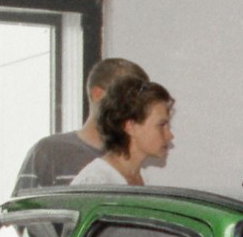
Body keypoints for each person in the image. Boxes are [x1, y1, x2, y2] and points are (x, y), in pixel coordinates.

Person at [14, 56, 148, 189]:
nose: (135, 109)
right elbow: (23, 203)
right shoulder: (49, 152)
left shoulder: (130, 160)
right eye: (128, 98)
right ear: (98, 95)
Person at [70, 78, 174, 186]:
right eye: (161, 125)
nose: (170, 135)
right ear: (130, 127)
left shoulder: (143, 178)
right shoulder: (96, 182)